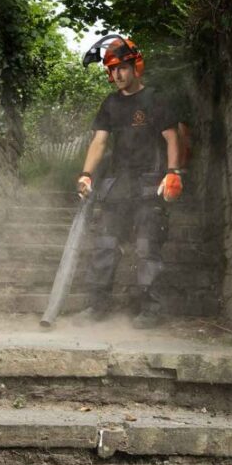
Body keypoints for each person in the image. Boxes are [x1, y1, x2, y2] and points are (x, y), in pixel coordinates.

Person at [76, 36, 183, 329]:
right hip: (117, 185)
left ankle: (151, 309)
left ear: (136, 65)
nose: (117, 75)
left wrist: (173, 172)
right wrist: (86, 174)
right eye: (111, 70)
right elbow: (99, 141)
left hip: (150, 184)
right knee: (105, 244)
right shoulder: (110, 104)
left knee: (147, 246)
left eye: (121, 67)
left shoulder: (155, 99)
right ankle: (97, 306)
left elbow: (171, 137)